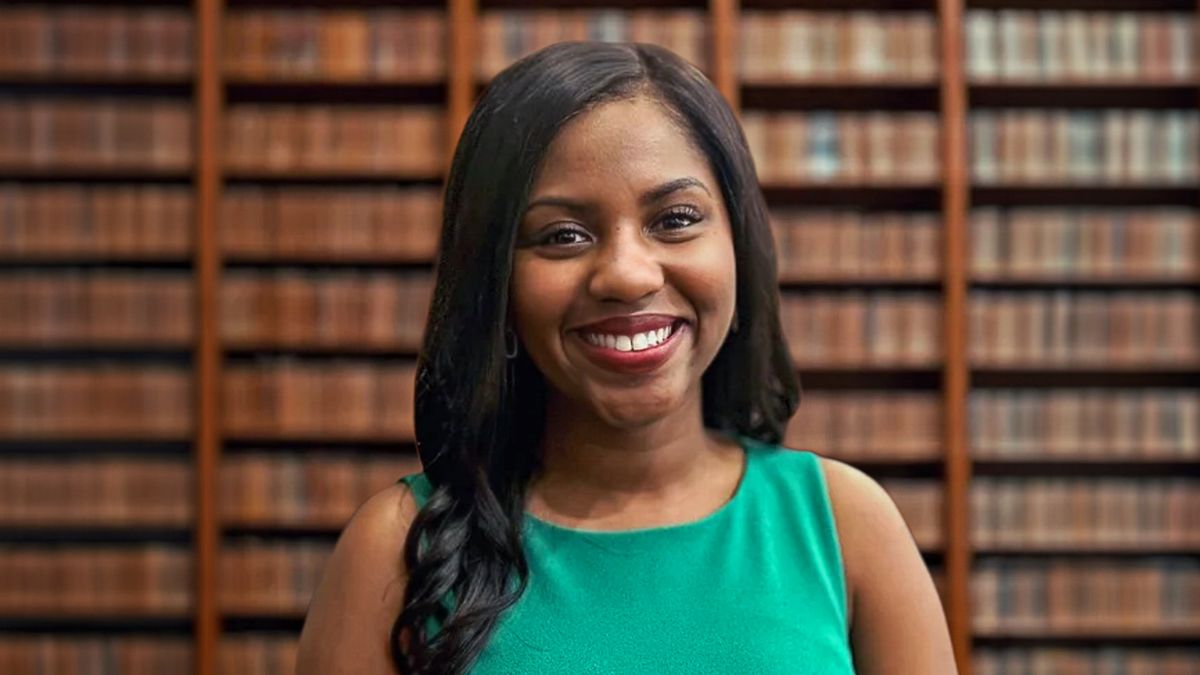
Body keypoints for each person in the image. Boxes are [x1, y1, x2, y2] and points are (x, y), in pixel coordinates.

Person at [296, 42, 956, 675]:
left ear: (739, 247)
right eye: (563, 234)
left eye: (674, 220)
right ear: (493, 281)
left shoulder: (846, 526)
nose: (628, 274)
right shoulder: (395, 551)